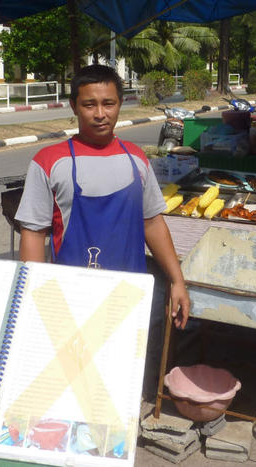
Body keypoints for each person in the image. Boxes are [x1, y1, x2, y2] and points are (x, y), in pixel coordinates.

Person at [16, 64, 190, 328]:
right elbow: (34, 233)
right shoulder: (48, 161)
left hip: (131, 296)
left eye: (108, 104)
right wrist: (34, 296)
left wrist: (177, 280)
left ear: (120, 104)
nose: (100, 114)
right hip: (69, 298)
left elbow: (152, 223)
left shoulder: (137, 158)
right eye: (89, 105)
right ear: (74, 106)